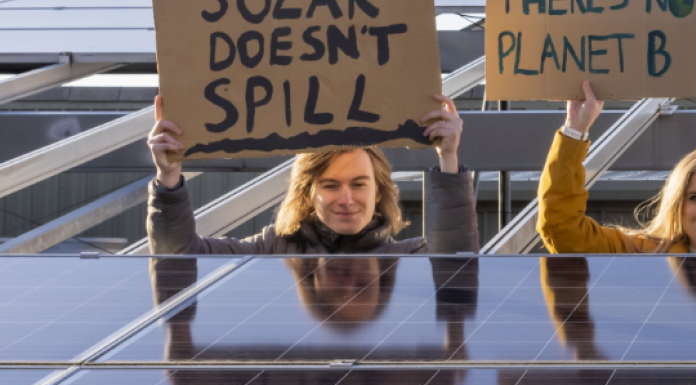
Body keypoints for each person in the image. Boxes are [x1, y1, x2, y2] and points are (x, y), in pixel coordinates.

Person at [146, 93, 478, 254]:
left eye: (359, 184)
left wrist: (448, 158)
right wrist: (169, 177)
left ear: (379, 192)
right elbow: (179, 258)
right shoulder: (272, 251)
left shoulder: (407, 259)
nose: (346, 199)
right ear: (308, 193)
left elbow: (455, 258)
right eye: (330, 185)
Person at [537, 80, 696, 253]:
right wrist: (575, 130)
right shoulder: (642, 256)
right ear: (678, 205)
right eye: (695, 198)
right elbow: (562, 228)